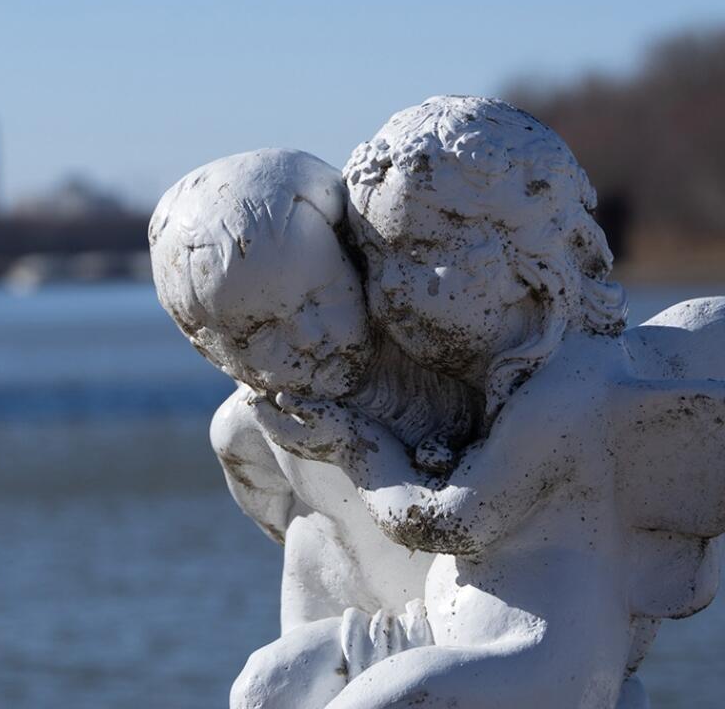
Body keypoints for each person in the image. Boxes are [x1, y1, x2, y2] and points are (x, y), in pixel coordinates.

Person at [252, 96, 725, 708]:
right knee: (269, 684)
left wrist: (352, 445)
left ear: (527, 260)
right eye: (377, 261)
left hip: (533, 660)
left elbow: (447, 521)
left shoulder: (571, 386)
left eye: (421, 253)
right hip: (434, 624)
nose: (390, 289)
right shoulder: (492, 377)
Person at [149, 148, 478, 706]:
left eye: (318, 298)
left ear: (354, 260)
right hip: (346, 606)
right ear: (216, 353)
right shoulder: (249, 431)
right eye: (258, 332)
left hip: (472, 613)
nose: (306, 336)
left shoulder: (458, 373)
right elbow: (282, 519)